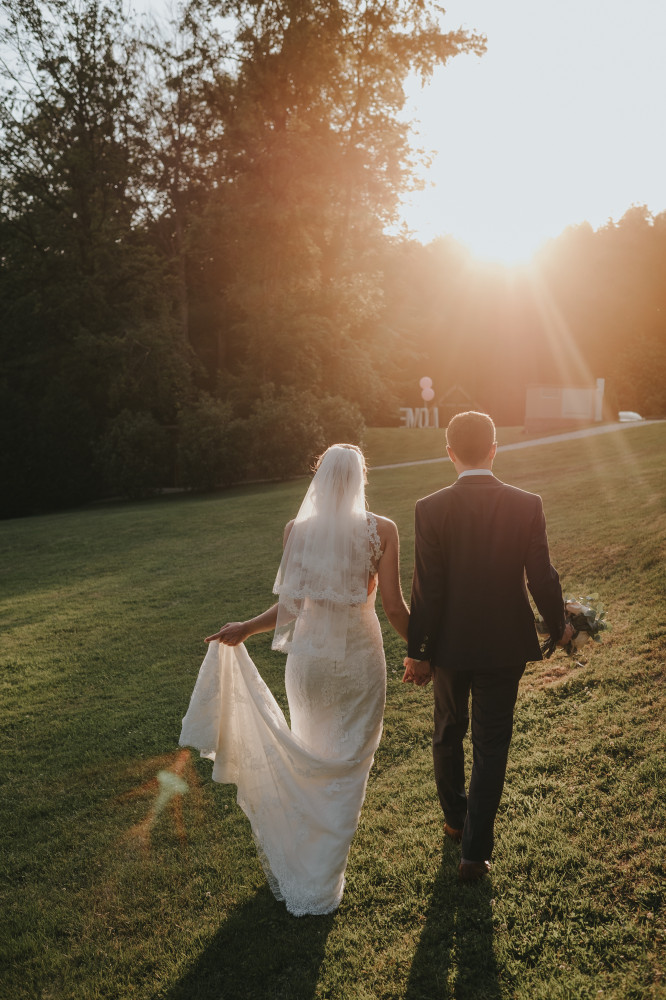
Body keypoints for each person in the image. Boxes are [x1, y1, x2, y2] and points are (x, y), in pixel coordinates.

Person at [180, 443, 409, 915]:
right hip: (360, 663)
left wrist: (246, 627)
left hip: (308, 667)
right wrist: (426, 648)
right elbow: (393, 607)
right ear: (360, 479)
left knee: (311, 759)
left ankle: (307, 862)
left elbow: (292, 606)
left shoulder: (296, 531)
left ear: (320, 478)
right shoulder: (382, 530)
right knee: (350, 762)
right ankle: (321, 881)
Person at [403, 411, 572, 882]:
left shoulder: (430, 508)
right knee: (491, 744)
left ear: (450, 453)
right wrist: (558, 625)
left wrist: (419, 651)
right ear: (495, 450)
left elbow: (427, 589)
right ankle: (475, 854)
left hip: (449, 647)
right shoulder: (527, 504)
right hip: (504, 645)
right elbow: (541, 576)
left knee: (447, 731)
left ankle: (456, 821)